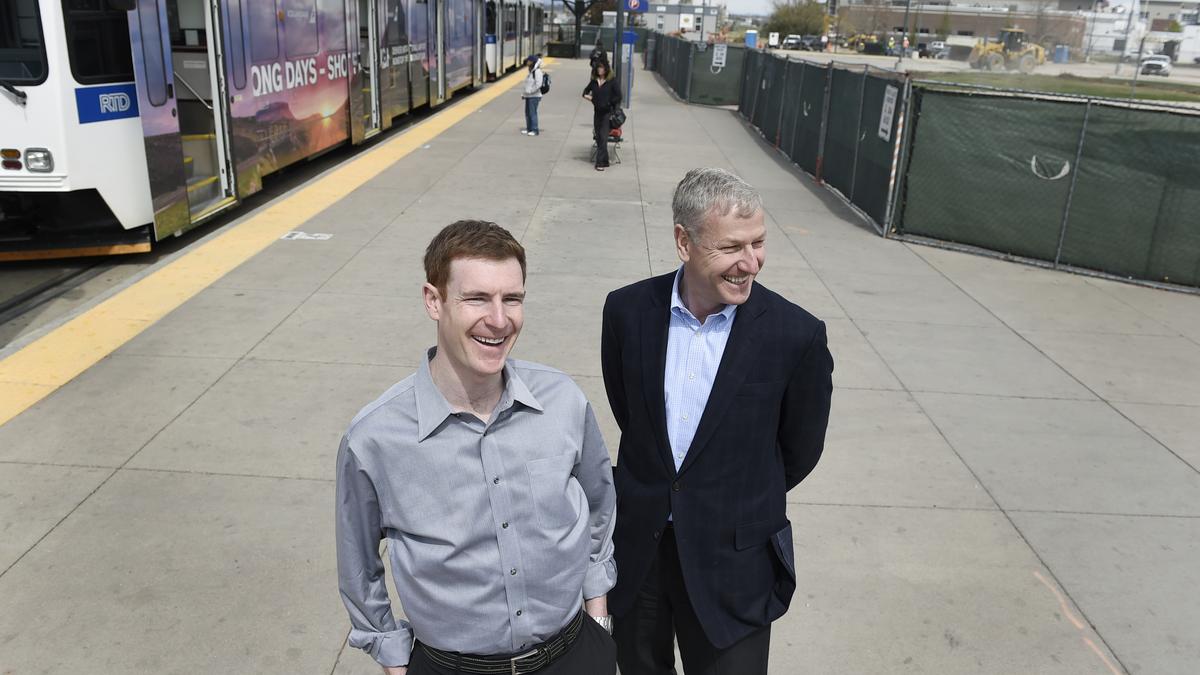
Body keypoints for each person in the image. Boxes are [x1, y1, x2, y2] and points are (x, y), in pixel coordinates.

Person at [336, 220, 618, 675]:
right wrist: (392, 660)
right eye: (477, 299)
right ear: (434, 300)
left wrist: (598, 613)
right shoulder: (375, 438)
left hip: (574, 656)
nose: (500, 319)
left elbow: (599, 506)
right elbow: (357, 565)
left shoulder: (563, 401)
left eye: (512, 299)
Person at [600, 168, 834, 675]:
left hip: (735, 566)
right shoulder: (626, 311)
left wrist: (724, 492)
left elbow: (799, 450)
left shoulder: (796, 336)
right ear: (684, 242)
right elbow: (630, 415)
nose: (749, 263)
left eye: (759, 243)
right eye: (731, 248)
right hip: (642, 555)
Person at [582, 62, 621, 172]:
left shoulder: (612, 82)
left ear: (606, 69)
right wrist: (592, 99)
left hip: (607, 114)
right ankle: (605, 160)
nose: (600, 70)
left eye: (602, 68)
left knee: (603, 137)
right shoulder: (594, 82)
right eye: (598, 67)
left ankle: (599, 163)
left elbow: (618, 96)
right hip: (597, 113)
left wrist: (609, 103)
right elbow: (585, 92)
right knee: (599, 137)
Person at [521, 54, 545, 136]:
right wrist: (524, 94)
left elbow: (538, 84)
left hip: (534, 96)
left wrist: (530, 91)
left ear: (532, 62)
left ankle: (535, 130)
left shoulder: (537, 72)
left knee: (532, 113)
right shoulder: (531, 71)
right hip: (528, 96)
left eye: (529, 60)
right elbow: (527, 84)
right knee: (527, 113)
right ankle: (529, 129)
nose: (527, 62)